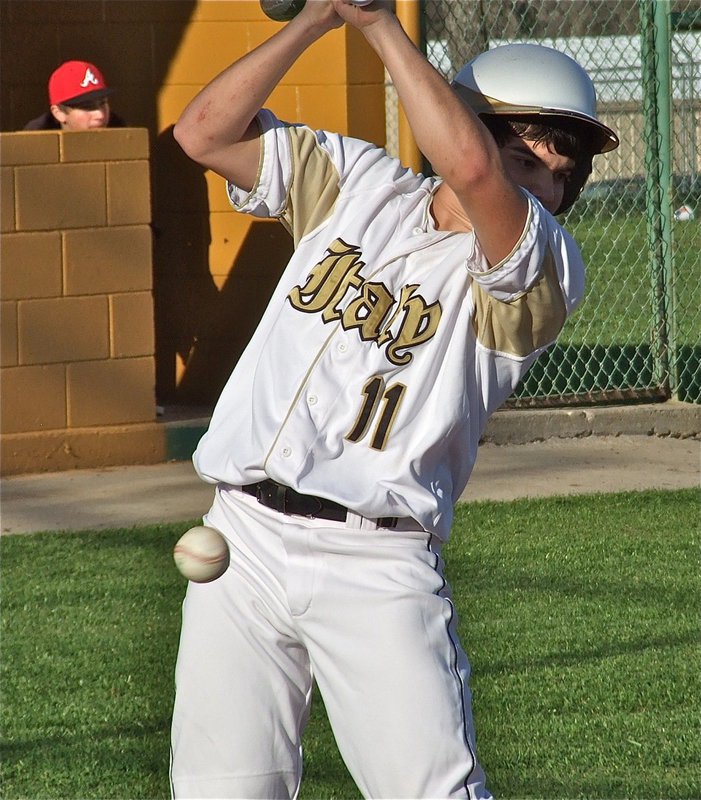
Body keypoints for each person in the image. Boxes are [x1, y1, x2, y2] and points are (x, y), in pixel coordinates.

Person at [169, 1, 618, 797]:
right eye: (528, 137)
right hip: (239, 540)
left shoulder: (541, 264)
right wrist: (316, 19)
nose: (548, 161)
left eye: (564, 157)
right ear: (464, 122)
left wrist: (375, 22)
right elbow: (203, 133)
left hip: (374, 564)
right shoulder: (359, 185)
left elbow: (475, 174)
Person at [23, 60, 125, 131]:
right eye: (88, 107)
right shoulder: (33, 144)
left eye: (103, 103)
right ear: (59, 113)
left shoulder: (121, 133)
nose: (101, 115)